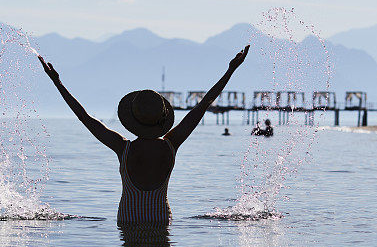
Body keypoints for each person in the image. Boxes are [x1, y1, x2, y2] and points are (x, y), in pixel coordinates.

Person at [38, 45, 250, 225]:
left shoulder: (123, 147)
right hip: (161, 220)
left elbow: (85, 117)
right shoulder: (171, 145)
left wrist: (57, 82)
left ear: (133, 119)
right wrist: (231, 70)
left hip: (128, 222)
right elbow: (202, 107)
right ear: (162, 118)